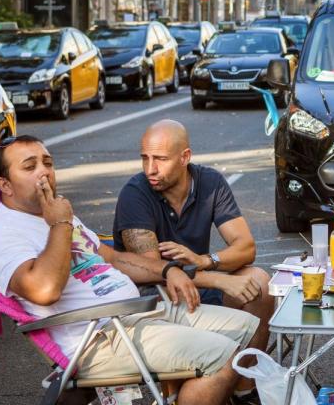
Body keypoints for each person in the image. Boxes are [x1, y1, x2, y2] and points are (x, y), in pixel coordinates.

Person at [0, 135, 259, 405]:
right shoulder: (7, 232)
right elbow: (45, 291)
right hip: (100, 336)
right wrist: (60, 225)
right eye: (30, 167)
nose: (44, 172)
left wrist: (168, 270)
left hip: (136, 313)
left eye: (48, 163)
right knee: (224, 356)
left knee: (246, 328)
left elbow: (113, 259)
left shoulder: (54, 212)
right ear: (5, 185)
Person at [113, 120, 274, 401]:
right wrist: (218, 278)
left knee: (259, 282)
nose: (150, 168)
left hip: (197, 282)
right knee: (182, 294)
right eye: (145, 158)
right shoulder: (135, 193)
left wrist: (204, 260)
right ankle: (188, 392)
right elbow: (155, 272)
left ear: (185, 157)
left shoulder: (209, 182)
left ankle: (244, 389)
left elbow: (245, 247)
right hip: (155, 298)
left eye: (160, 159)